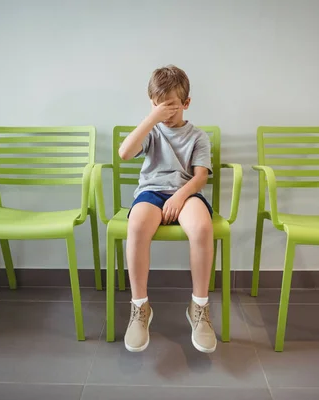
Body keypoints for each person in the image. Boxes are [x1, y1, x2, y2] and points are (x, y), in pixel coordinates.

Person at [118, 65, 215, 353]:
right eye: (159, 105)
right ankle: (140, 308)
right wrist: (152, 118)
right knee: (136, 226)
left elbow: (199, 177)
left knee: (201, 227)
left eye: (171, 106)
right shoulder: (152, 131)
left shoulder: (198, 137)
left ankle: (199, 307)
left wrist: (178, 198)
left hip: (185, 195)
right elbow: (124, 153)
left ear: (186, 104)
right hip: (151, 193)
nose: (166, 112)